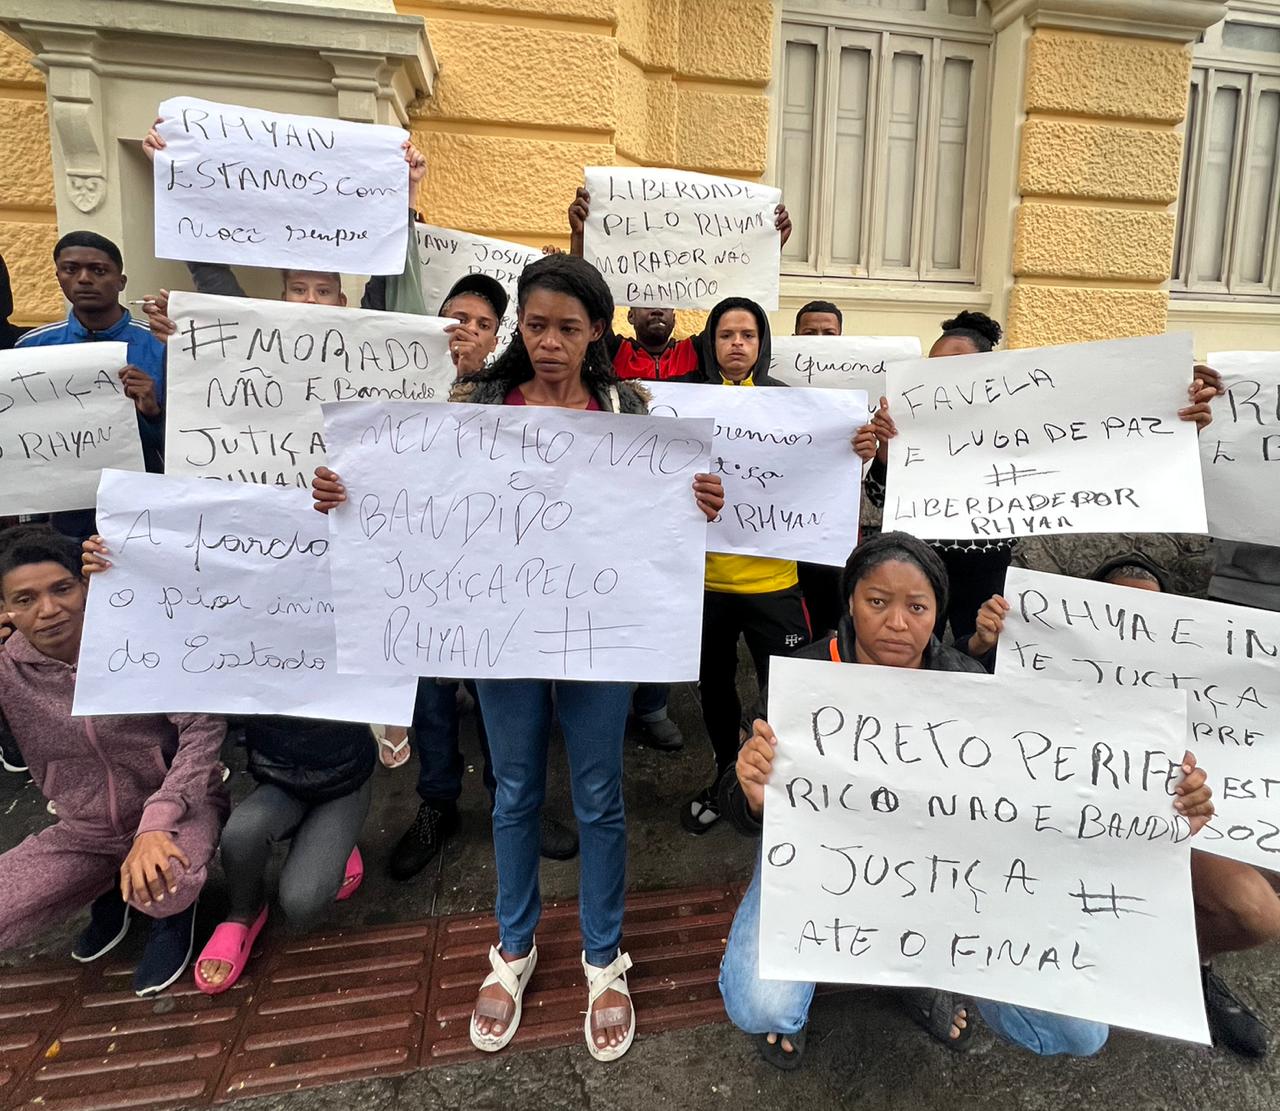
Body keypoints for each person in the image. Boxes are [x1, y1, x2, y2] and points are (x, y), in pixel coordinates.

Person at [311, 252, 726, 1062]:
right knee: (513, 789)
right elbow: (413, 489)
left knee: (601, 792)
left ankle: (604, 956)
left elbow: (663, 510)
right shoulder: (476, 405)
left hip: (600, 637)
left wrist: (698, 499)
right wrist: (346, 492)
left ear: (597, 331)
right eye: (535, 325)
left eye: (568, 328)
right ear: (518, 328)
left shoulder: (630, 407)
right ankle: (514, 946)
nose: (550, 342)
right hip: (499, 632)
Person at [717, 531, 1216, 1069]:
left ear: (937, 613)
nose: (897, 622)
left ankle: (924, 971)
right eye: (877, 602)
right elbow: (738, 803)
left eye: (917, 606)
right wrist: (751, 795)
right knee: (760, 1006)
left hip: (946, 878)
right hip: (819, 867)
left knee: (1080, 1031)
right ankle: (830, 985)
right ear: (851, 603)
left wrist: (1157, 815)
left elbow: (1045, 802)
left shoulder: (968, 683)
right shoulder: (801, 682)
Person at [968, 551, 1280, 1059]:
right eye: (1116, 610)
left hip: (1160, 834)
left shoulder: (1199, 685)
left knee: (1258, 913)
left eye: (1150, 616)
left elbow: (1231, 763)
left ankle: (1186, 970)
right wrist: (985, 645)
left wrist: (1195, 806)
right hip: (1055, 834)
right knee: (1081, 1029)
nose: (1134, 627)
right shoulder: (1046, 672)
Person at [79, 537, 369, 993]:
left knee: (303, 903)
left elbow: (387, 593)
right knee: (241, 834)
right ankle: (243, 912)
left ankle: (334, 840)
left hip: (343, 782)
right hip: (279, 780)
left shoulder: (347, 623)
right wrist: (115, 566)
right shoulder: (230, 644)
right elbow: (164, 616)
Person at [860, 311, 1221, 653]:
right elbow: (878, 498)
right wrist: (886, 455)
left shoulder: (1022, 414)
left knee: (983, 649)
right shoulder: (910, 418)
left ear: (985, 369)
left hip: (988, 564)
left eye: (956, 368)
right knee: (913, 655)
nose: (942, 378)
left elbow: (1099, 434)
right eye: (933, 367)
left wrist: (1168, 405)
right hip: (919, 564)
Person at [669, 296, 872, 834]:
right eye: (726, 334)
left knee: (782, 688)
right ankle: (723, 773)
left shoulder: (790, 404)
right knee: (714, 687)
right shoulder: (681, 401)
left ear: (763, 344)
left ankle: (786, 780)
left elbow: (824, 463)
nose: (737, 344)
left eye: (748, 335)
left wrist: (858, 448)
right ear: (711, 343)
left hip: (776, 584)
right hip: (706, 582)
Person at [0, 525, 228, 995]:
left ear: (86, 585)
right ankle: (113, 887)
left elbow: (203, 728)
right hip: (84, 830)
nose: (48, 610)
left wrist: (156, 822)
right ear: (5, 609)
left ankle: (171, 915)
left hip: (177, 810)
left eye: (62, 589)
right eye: (25, 599)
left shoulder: (138, 639)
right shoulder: (6, 669)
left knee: (170, 884)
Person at [140, 119, 428, 328]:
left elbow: (390, 270)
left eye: (323, 291)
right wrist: (169, 173)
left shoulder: (364, 334)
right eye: (299, 290)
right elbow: (210, 272)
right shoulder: (254, 330)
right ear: (284, 297)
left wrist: (408, 189)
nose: (311, 300)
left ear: (342, 301)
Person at [16, 231, 167, 541]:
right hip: (60, 511)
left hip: (143, 506)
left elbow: (189, 443)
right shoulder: (30, 349)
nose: (84, 279)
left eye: (98, 270)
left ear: (121, 281)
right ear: (58, 275)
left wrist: (153, 412)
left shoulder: (161, 346)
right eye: (71, 269)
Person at [565, 185, 793, 383]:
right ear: (630, 315)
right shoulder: (614, 352)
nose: (657, 308)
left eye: (665, 302)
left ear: (675, 315)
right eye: (645, 300)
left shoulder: (696, 353)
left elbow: (740, 305)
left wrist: (769, 248)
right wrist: (579, 239)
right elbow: (583, 304)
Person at [791, 299, 847, 635]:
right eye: (810, 332)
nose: (820, 338)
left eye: (829, 333)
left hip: (831, 522)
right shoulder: (773, 385)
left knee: (829, 615)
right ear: (794, 337)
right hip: (778, 518)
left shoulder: (862, 390)